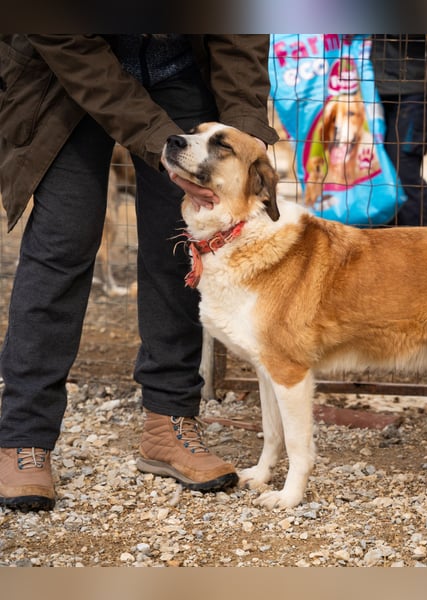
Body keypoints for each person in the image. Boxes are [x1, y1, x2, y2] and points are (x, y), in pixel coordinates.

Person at [0, 34, 279, 512]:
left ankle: (168, 423)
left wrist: (245, 133)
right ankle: (23, 437)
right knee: (62, 245)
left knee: (178, 243)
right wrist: (154, 139)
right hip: (65, 77)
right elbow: (69, 44)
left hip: (177, 71)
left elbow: (239, 33)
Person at [370, 34, 427, 227]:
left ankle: (414, 249)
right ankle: (380, 247)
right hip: (365, 80)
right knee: (367, 174)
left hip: (414, 83)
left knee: (403, 174)